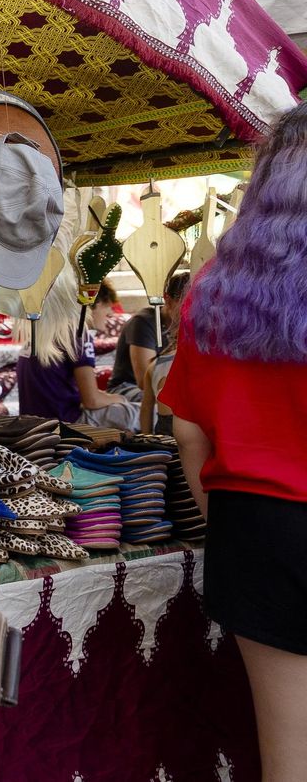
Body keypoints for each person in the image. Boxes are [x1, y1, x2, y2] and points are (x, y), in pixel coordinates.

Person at [161, 102, 307, 782]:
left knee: (287, 758)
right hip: (260, 522)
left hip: (254, 529)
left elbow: (187, 428)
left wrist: (227, 520)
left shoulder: (211, 297)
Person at [16, 269, 138, 431]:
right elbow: (91, 400)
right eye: (108, 307)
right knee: (139, 412)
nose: (110, 313)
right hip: (66, 422)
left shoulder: (42, 331)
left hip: (35, 423)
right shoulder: (78, 333)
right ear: (97, 303)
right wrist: (121, 399)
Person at [109, 270, 190, 422]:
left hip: (161, 384)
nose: (189, 309)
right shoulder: (143, 322)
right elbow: (143, 381)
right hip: (127, 388)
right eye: (184, 302)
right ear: (168, 299)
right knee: (164, 408)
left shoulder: (190, 324)